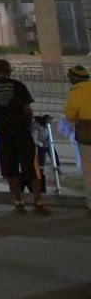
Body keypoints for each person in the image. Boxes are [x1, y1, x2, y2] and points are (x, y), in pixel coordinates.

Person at [0, 59, 48, 215]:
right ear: (10, 70)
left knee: (10, 169)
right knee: (32, 167)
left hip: (4, 134)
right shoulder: (18, 86)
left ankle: (19, 202)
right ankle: (37, 202)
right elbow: (27, 109)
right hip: (22, 132)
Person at [63, 64, 91, 213]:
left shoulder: (76, 92)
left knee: (89, 172)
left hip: (87, 136)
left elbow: (70, 116)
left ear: (73, 79)